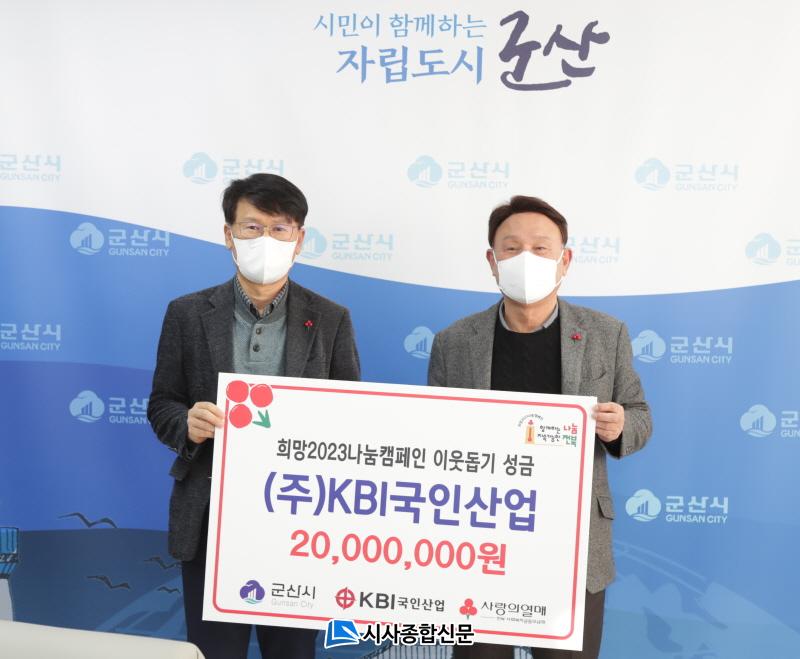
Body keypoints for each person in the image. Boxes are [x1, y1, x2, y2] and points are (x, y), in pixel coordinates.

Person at [428, 196, 652, 659]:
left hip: (573, 542)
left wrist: (619, 425)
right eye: (511, 249)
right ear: (492, 261)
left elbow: (640, 416)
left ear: (564, 260)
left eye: (541, 248)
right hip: (480, 540)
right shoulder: (454, 342)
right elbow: (435, 435)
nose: (525, 259)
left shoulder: (606, 333)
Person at [147, 173, 360, 659]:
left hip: (300, 521)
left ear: (299, 239)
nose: (266, 240)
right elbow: (162, 403)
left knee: (292, 652)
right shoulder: (187, 313)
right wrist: (186, 424)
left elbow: (351, 416)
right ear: (229, 235)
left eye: (280, 229)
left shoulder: (331, 318)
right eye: (251, 227)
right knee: (213, 652)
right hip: (211, 517)